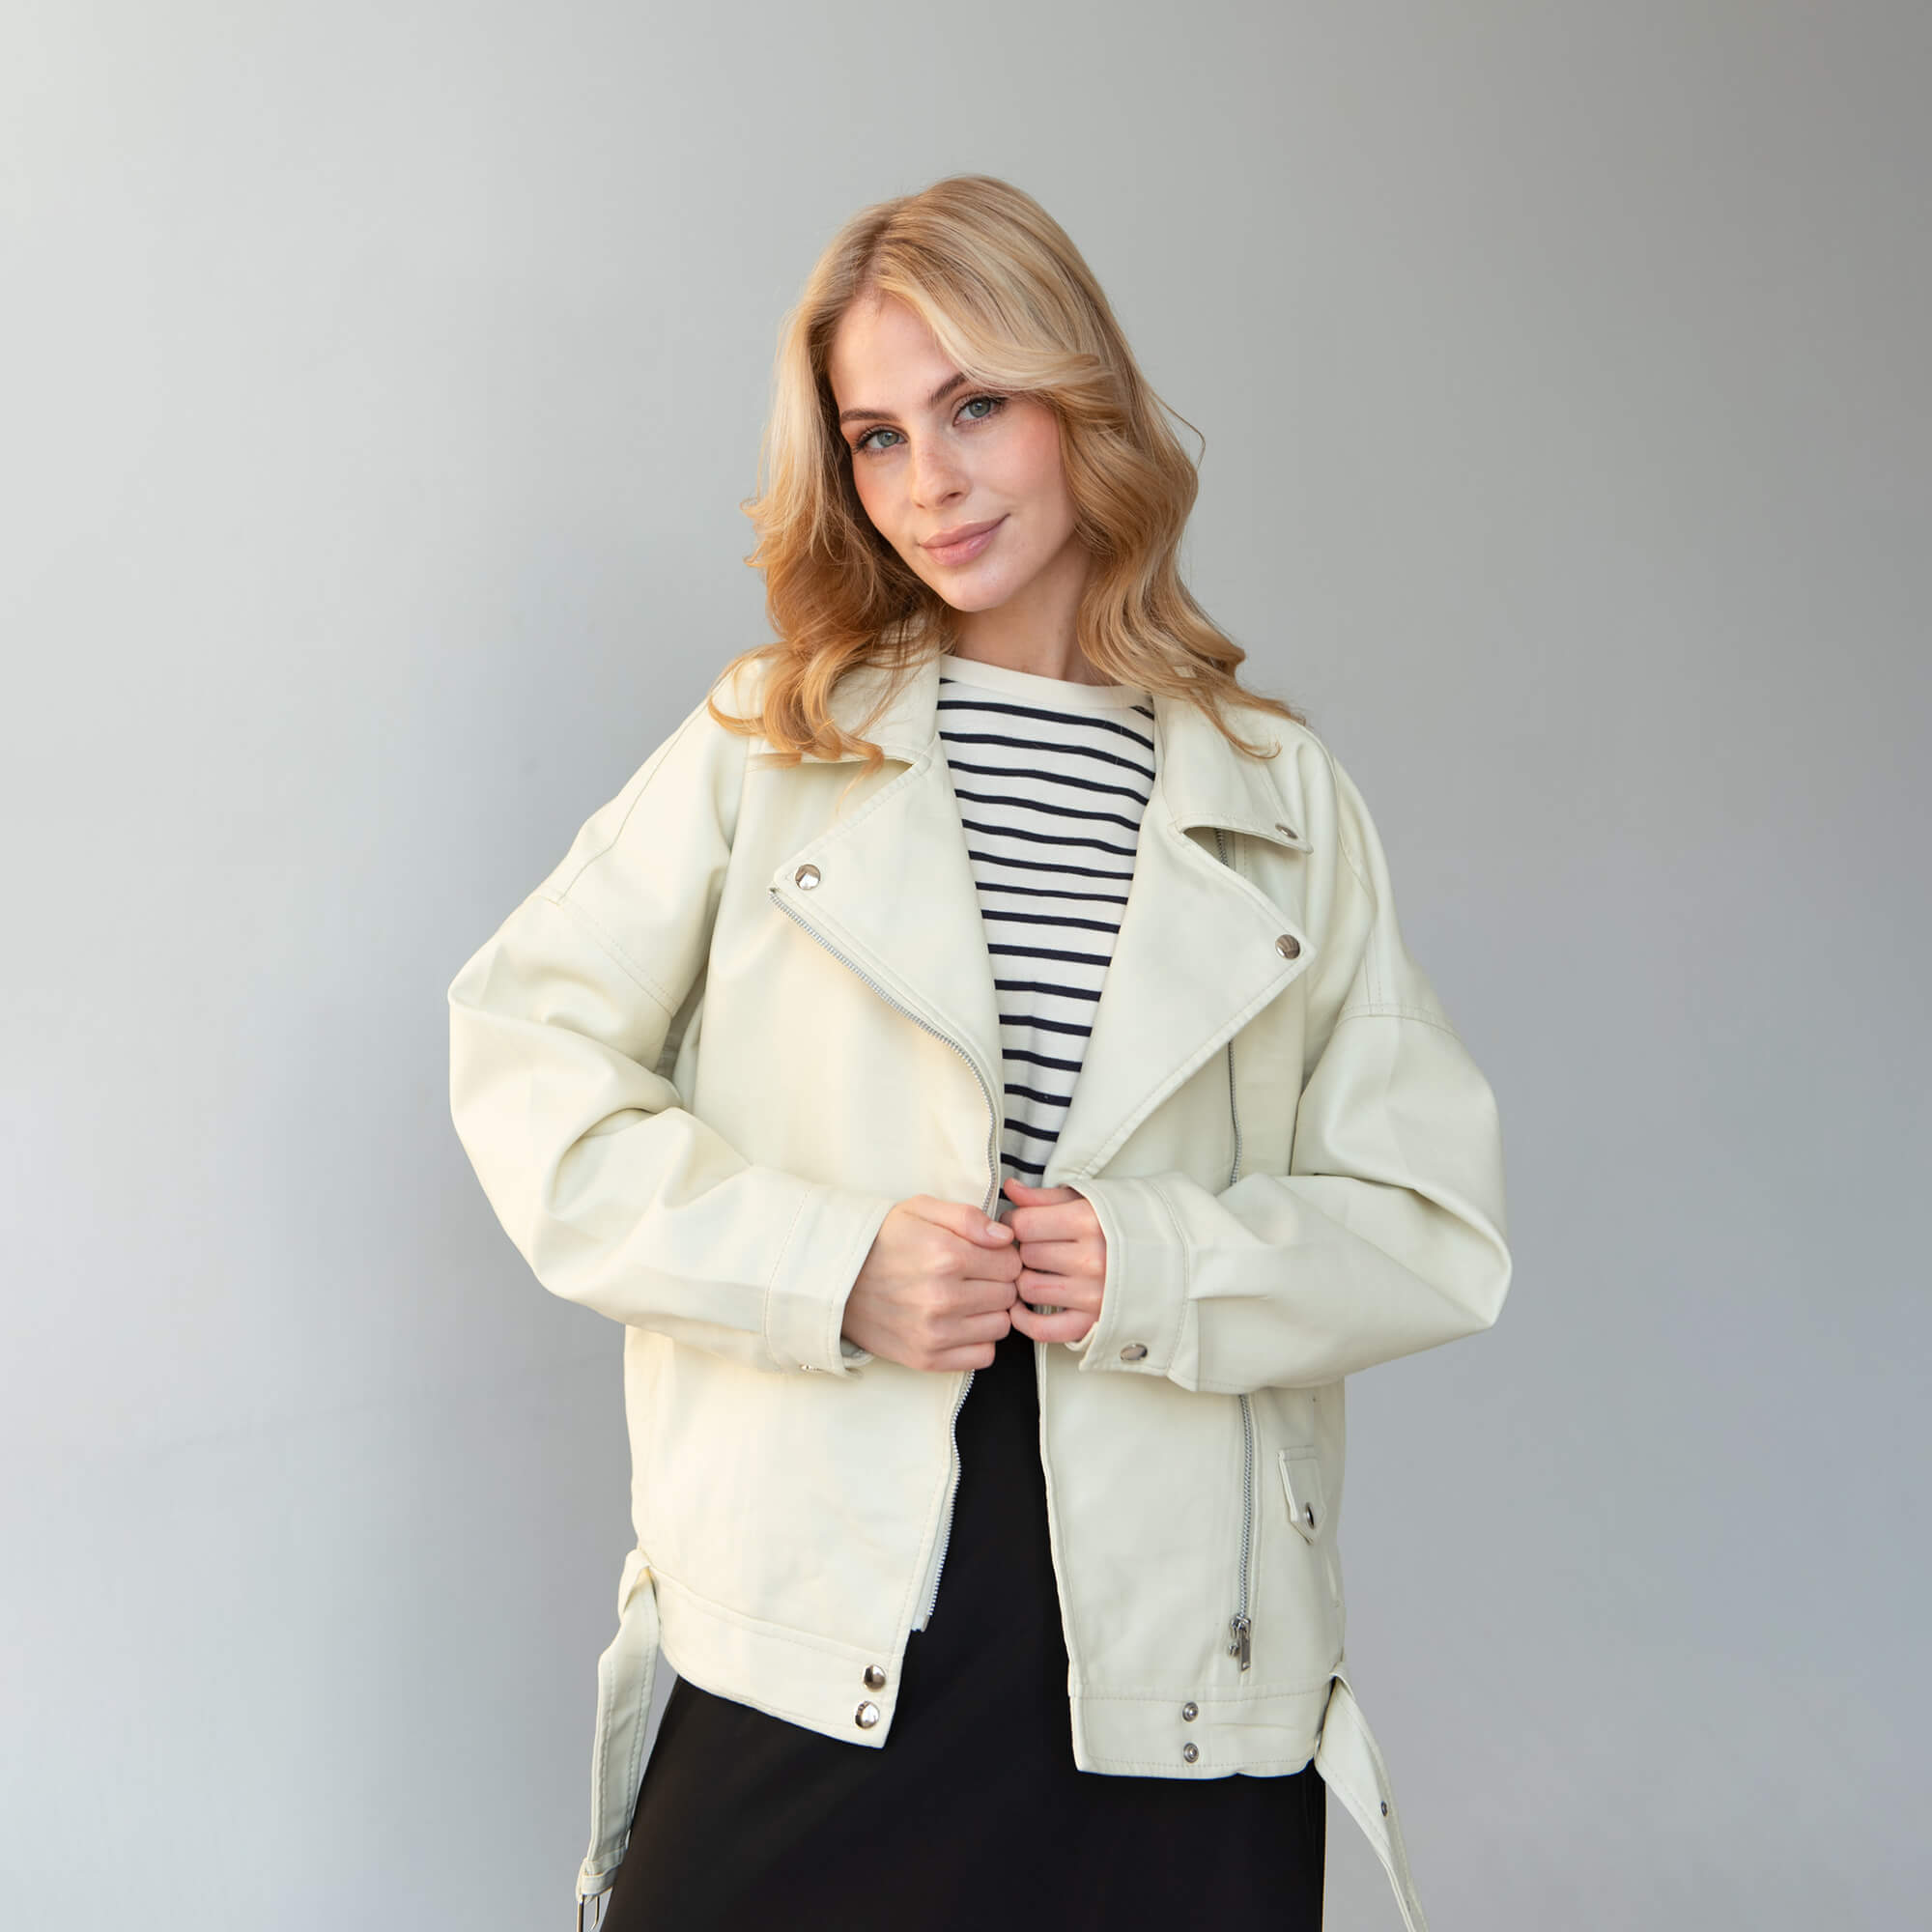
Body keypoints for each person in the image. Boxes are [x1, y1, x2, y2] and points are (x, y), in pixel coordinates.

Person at [446, 173, 1512, 1932]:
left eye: (975, 407)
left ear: (1081, 403)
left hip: (1174, 1670)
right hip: (821, 1619)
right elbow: (527, 1059)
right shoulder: (768, 745)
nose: (926, 482)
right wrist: (829, 1263)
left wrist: (1157, 1266)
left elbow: (1429, 1223)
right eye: (875, 437)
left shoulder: (1283, 799)